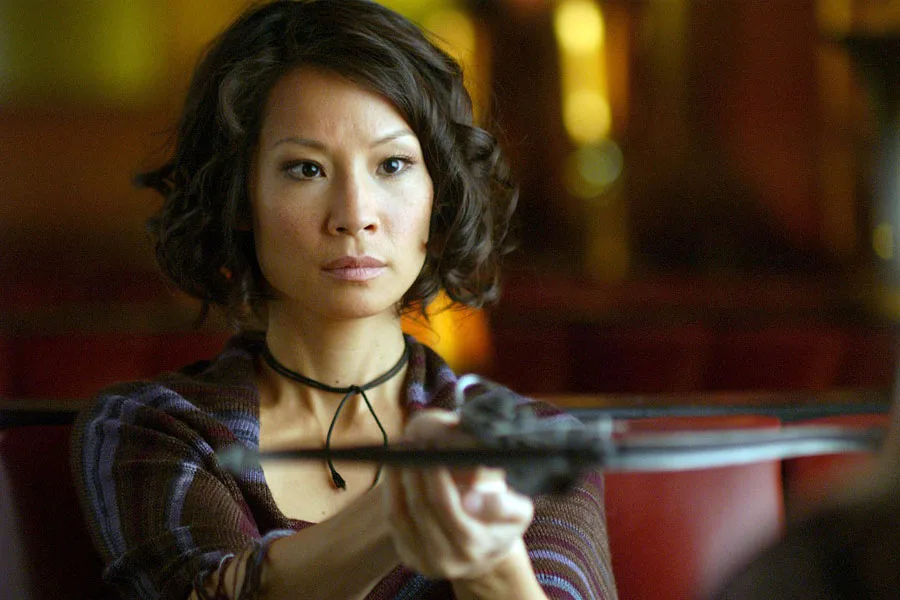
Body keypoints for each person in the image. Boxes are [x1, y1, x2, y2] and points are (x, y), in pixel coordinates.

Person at [70, 1, 618, 599]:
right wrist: (407, 500)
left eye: (393, 164)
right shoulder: (153, 428)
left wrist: (488, 553)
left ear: (437, 195)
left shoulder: (534, 445)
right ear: (240, 197)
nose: (355, 215)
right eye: (306, 169)